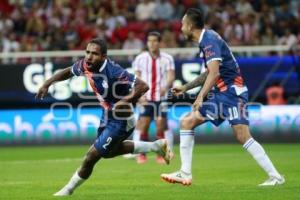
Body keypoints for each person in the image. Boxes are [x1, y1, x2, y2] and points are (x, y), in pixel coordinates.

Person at [160, 8, 285, 186]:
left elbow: (214, 74)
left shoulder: (209, 41)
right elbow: (209, 72)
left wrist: (200, 96)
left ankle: (276, 177)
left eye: (182, 24)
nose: (180, 28)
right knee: (187, 122)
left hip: (232, 92)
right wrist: (187, 87)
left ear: (190, 26)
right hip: (222, 93)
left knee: (242, 135)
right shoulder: (207, 39)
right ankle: (185, 173)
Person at [36, 38, 171, 196]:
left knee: (91, 157)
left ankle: (67, 190)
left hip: (122, 120)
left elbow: (143, 86)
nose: (89, 57)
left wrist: (123, 101)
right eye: (87, 52)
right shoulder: (85, 65)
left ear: (104, 56)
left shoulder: (114, 71)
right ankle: (156, 146)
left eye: (94, 54)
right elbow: (68, 71)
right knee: (107, 152)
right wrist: (47, 83)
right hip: (107, 116)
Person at [132, 31, 175, 164]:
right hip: (146, 97)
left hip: (161, 97)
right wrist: (138, 96)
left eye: (155, 41)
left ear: (159, 42)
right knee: (143, 125)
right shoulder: (140, 58)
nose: (152, 43)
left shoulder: (167, 58)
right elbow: (136, 78)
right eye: (149, 41)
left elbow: (171, 76)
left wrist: (166, 86)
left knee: (160, 125)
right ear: (147, 43)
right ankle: (142, 154)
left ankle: (161, 154)